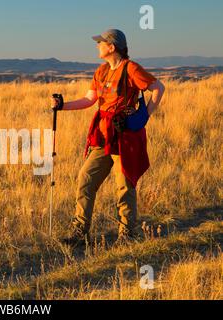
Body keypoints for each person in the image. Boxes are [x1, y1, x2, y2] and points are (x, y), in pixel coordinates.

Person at [51, 29, 165, 247]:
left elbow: (158, 88)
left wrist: (143, 116)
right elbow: (89, 99)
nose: (97, 46)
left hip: (124, 136)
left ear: (112, 47)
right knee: (86, 177)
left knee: (124, 185)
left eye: (101, 43)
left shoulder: (131, 68)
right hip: (103, 136)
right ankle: (80, 232)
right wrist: (63, 106)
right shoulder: (101, 70)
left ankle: (127, 235)